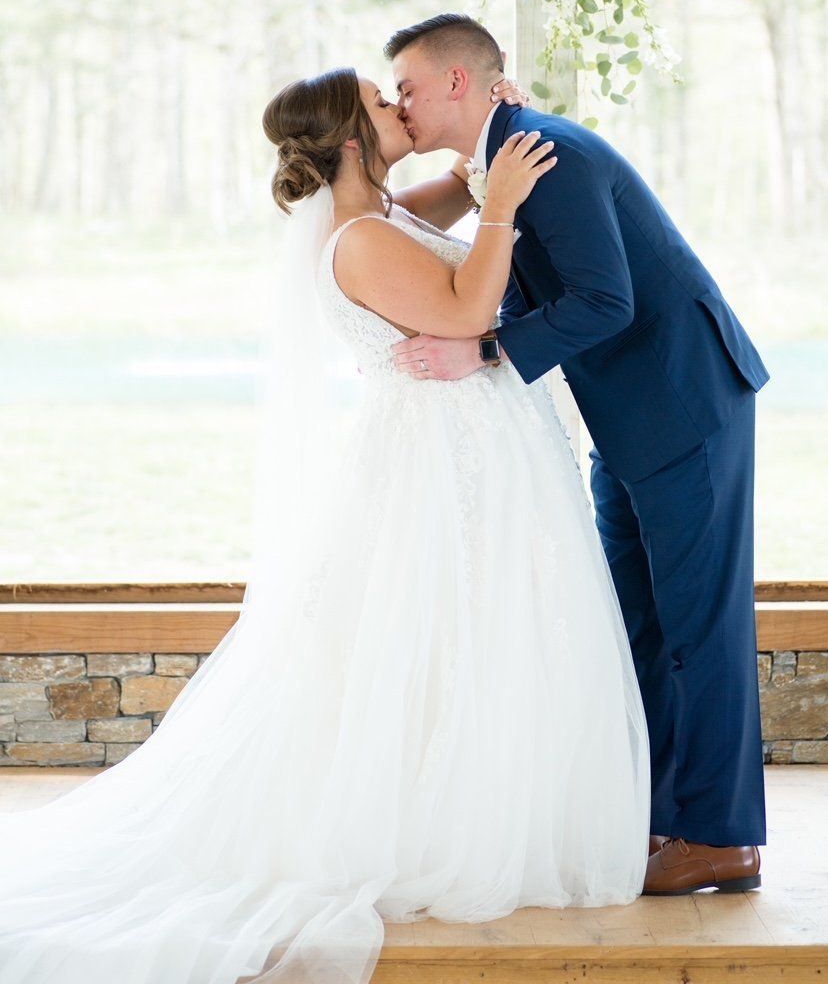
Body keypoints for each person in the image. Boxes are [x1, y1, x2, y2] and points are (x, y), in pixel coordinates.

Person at [0, 65, 650, 982]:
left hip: (471, 446)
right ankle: (429, 824)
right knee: (431, 634)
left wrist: (491, 132)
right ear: (351, 139)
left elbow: (456, 192)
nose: (399, 107)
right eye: (385, 105)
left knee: (484, 631)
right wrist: (500, 208)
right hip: (438, 458)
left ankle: (478, 802)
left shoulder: (380, 209)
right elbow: (468, 308)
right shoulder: (356, 242)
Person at [385, 12, 769, 898]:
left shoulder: (537, 154)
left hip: (683, 401)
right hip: (623, 416)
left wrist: (480, 353)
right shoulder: (497, 162)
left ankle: (723, 838)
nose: (401, 103)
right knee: (634, 619)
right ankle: (655, 815)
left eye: (407, 85)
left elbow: (605, 301)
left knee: (700, 621)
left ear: (456, 82)